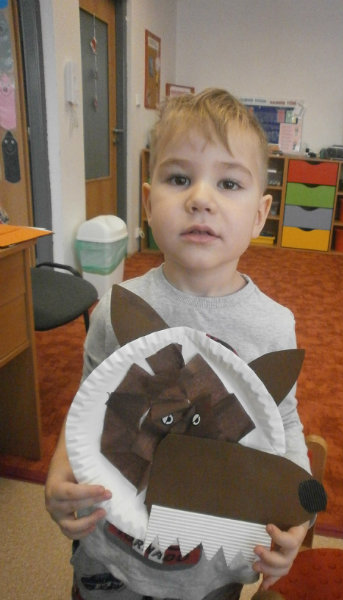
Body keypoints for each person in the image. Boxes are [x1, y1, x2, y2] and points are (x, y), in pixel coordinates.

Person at [45, 88, 311, 600]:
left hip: (207, 569)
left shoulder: (273, 326)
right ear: (148, 203)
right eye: (179, 178)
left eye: (228, 182)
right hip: (111, 552)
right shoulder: (116, 308)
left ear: (260, 215)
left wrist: (295, 518)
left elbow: (285, 425)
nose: (200, 198)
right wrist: (61, 472)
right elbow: (88, 404)